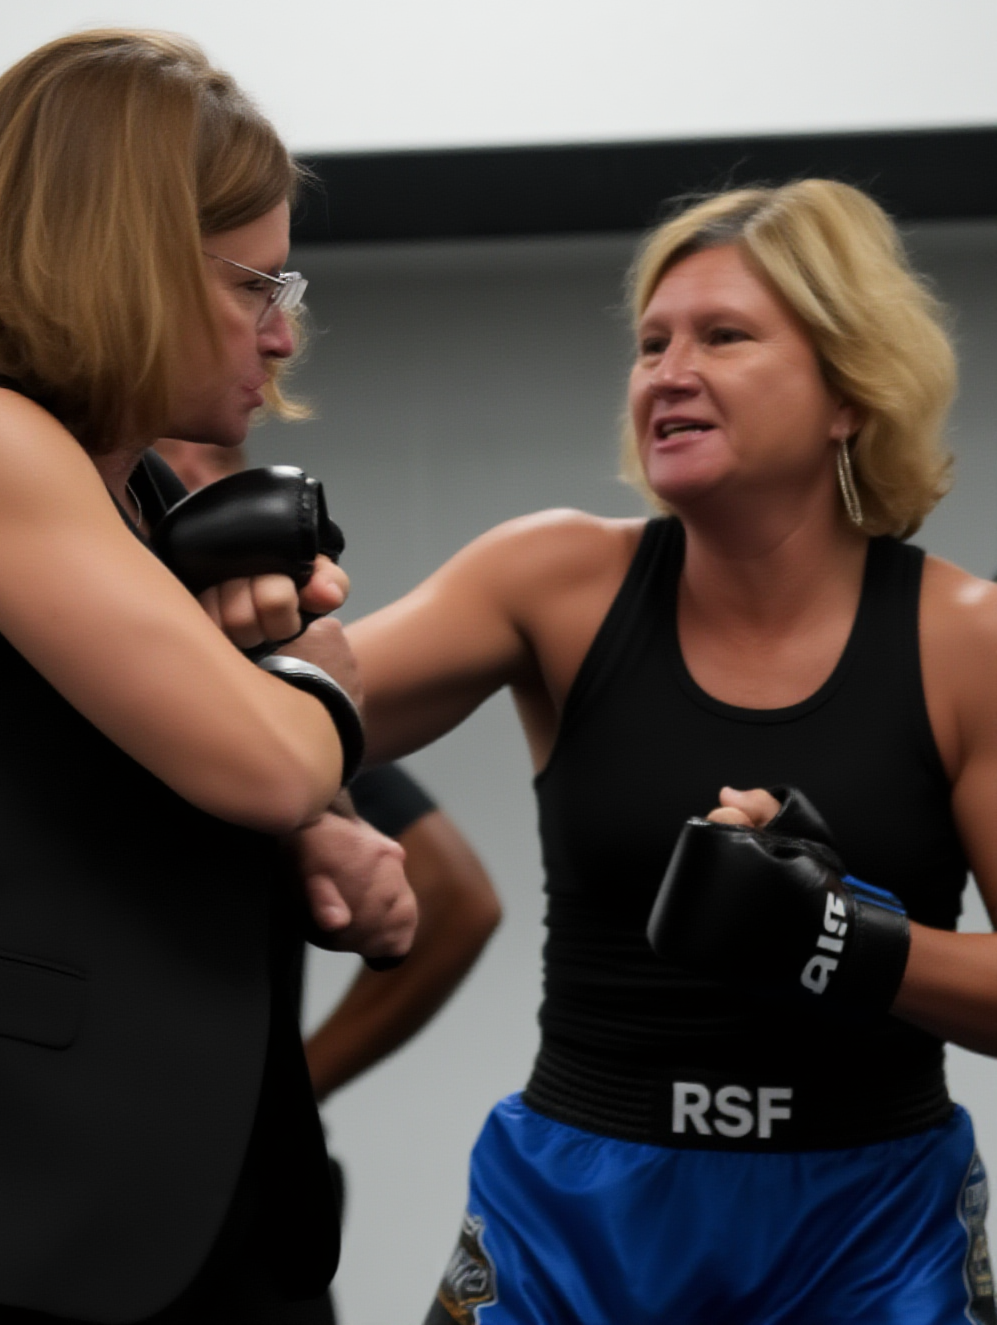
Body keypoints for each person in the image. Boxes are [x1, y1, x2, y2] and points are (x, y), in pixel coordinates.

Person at [346, 180, 997, 1323]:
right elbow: (268, 720)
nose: (666, 372)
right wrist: (216, 592)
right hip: (574, 1213)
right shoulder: (549, 582)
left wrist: (836, 938)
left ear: (848, 389)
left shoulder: (964, 641)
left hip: (864, 1231)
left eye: (722, 336)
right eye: (650, 344)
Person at [0, 29, 415, 1324]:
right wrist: (318, 682)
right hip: (5, 1215)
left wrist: (314, 829)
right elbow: (264, 760)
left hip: (194, 1207)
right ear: (124, 256)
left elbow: (117, 782)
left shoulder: (130, 486)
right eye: (255, 286)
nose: (281, 335)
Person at [154, 435, 502, 1324]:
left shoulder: (259, 698)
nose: (194, 485)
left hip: (238, 1213)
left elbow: (449, 898)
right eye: (167, 461)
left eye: (217, 465)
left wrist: (290, 1088)